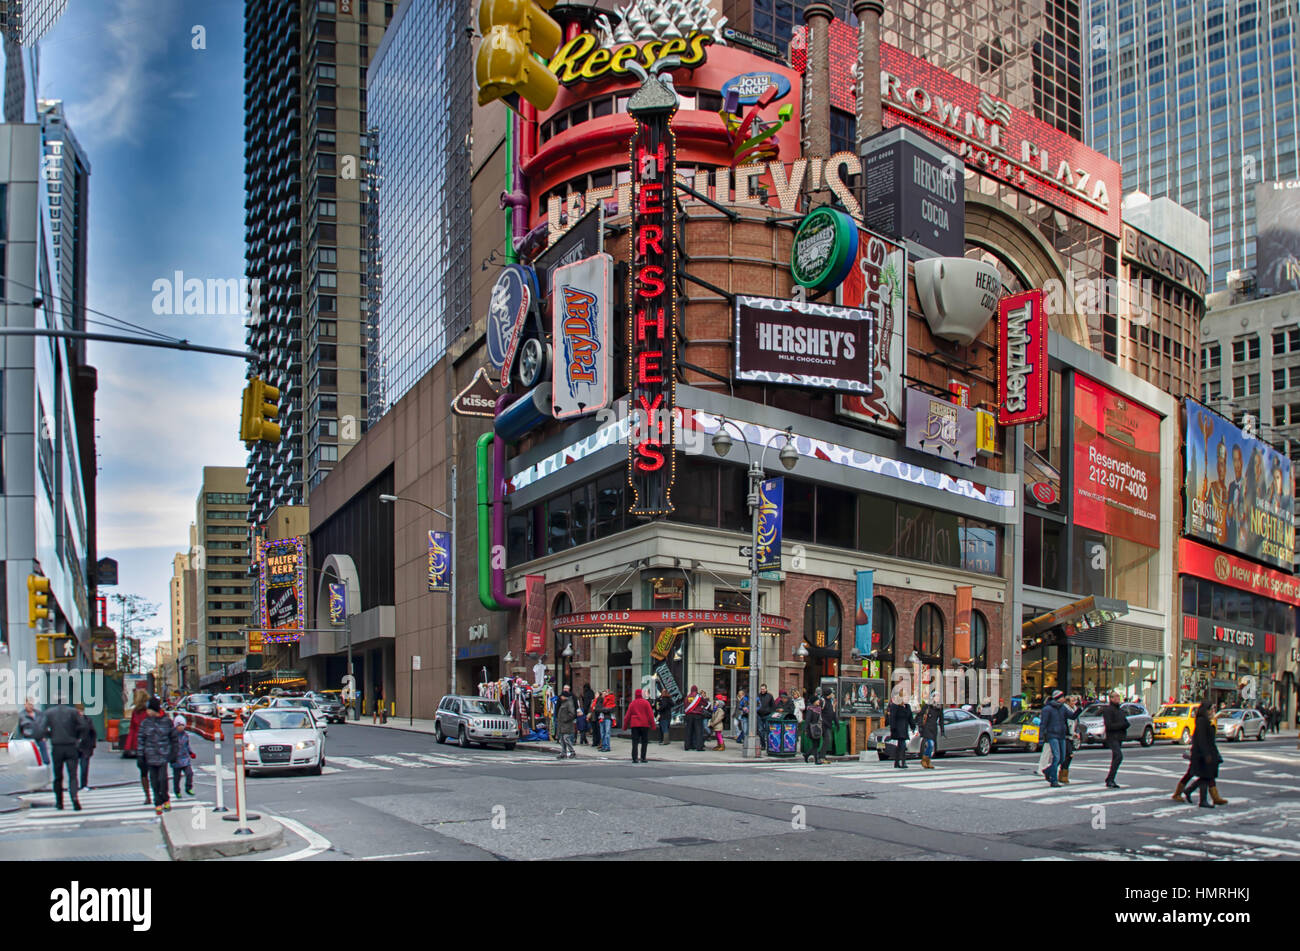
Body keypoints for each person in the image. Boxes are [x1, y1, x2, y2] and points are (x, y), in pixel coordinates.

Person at [35, 698, 86, 811]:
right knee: (73, 774)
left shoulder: (49, 713)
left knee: (58, 776)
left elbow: (41, 729)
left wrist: (50, 735)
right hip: (71, 745)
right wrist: (77, 736)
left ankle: (59, 802)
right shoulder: (72, 712)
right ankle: (74, 797)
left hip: (57, 746)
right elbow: (82, 726)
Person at [137, 698, 177, 817]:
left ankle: (165, 797)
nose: (147, 712)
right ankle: (157, 801)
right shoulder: (145, 723)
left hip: (163, 756)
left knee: (162, 779)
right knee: (154, 780)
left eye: (149, 709)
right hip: (150, 756)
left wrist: (174, 753)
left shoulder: (166, 722)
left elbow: (174, 738)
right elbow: (141, 739)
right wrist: (140, 755)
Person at [1183, 701, 1227, 808]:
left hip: (1206, 753)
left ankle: (1190, 791)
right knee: (1206, 776)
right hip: (1203, 754)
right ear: (1205, 710)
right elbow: (1203, 739)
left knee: (1206, 776)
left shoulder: (1204, 720)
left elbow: (1210, 736)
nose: (1212, 711)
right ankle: (1201, 799)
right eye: (1210, 709)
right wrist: (1206, 754)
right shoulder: (1202, 721)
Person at [1039, 690, 1075, 787]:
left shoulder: (1062, 708)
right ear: (1059, 698)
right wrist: (1041, 737)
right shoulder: (1048, 709)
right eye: (1062, 697)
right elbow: (1043, 724)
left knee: (1062, 758)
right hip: (1052, 735)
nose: (1064, 698)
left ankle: (1047, 771)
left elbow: (1072, 716)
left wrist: (1078, 710)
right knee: (1057, 757)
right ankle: (1053, 779)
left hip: (1061, 735)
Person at [124, 689, 151, 805]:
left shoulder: (139, 712)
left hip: (143, 745)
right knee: (145, 771)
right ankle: (149, 795)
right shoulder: (139, 712)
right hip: (146, 745)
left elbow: (132, 729)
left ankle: (148, 795)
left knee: (145, 772)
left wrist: (129, 746)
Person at [1100, 690, 1128, 789]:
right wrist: (1122, 725)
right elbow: (1109, 725)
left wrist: (1125, 724)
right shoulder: (1108, 710)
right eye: (1115, 697)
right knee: (1118, 756)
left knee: (1116, 758)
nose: (1118, 698)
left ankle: (1110, 779)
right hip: (1112, 737)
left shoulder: (1120, 710)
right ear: (1111, 698)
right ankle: (1110, 779)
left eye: (1118, 697)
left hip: (1119, 736)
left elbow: (1125, 721)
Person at [18, 697, 48, 781]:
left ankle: (44, 778)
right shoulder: (21, 716)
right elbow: (19, 729)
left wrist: (45, 736)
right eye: (29, 704)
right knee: (31, 761)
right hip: (29, 741)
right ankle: (32, 779)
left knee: (45, 759)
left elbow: (44, 725)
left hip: (40, 739)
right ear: (25, 705)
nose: (31, 706)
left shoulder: (39, 714)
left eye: (32, 704)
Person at [625, 688, 656, 763]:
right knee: (644, 741)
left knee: (635, 742)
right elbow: (650, 715)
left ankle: (635, 758)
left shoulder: (632, 703)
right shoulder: (646, 703)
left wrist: (625, 726)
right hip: (644, 724)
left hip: (635, 725)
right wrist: (653, 725)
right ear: (641, 694)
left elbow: (627, 716)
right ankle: (643, 757)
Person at [886, 693, 915, 769]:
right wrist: (893, 728)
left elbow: (910, 718)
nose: (907, 699)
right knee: (902, 745)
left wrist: (913, 726)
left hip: (904, 727)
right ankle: (903, 761)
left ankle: (896, 762)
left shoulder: (907, 706)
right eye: (905, 697)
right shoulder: (895, 706)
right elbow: (892, 717)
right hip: (898, 728)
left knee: (900, 746)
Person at [171, 715, 196, 796]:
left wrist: (191, 753)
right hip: (176, 759)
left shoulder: (185, 736)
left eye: (182, 725)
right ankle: (177, 791)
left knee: (189, 773)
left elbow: (187, 746)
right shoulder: (172, 735)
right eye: (179, 725)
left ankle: (188, 788)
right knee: (177, 777)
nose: (181, 727)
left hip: (185, 758)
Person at [917, 694, 945, 769]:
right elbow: (920, 715)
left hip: (934, 728)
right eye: (936, 697)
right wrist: (920, 725)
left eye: (939, 697)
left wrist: (942, 730)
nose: (938, 698)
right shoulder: (927, 706)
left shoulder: (939, 707)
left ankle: (927, 760)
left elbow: (941, 719)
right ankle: (925, 760)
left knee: (931, 746)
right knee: (930, 744)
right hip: (927, 727)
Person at [75, 703, 96, 791]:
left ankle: (78, 785)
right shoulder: (88, 720)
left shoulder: (74, 720)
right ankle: (83, 785)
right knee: (83, 766)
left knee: (76, 767)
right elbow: (93, 733)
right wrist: (92, 746)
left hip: (80, 746)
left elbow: (93, 733)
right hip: (85, 746)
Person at [555, 685, 577, 760]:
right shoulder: (563, 703)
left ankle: (572, 751)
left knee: (566, 738)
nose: (561, 697)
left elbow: (572, 714)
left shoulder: (569, 703)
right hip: (562, 724)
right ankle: (563, 753)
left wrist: (565, 719)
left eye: (562, 696)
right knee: (562, 739)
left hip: (567, 724)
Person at [683, 685, 708, 751]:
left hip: (689, 715)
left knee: (688, 731)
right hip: (697, 715)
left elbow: (685, 705)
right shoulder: (698, 697)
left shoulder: (687, 697)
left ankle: (687, 746)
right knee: (698, 731)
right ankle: (699, 747)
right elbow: (705, 703)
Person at [804, 697, 826, 764]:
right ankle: (817, 760)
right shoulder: (810, 709)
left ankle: (807, 755)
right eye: (817, 701)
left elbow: (823, 703)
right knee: (815, 744)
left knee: (816, 744)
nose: (818, 701)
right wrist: (805, 729)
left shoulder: (818, 709)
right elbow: (807, 720)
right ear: (814, 702)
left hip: (818, 727)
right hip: (812, 728)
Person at [821, 687, 838, 758]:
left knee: (826, 740)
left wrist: (836, 723)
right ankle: (821, 756)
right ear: (828, 694)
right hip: (823, 724)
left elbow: (832, 713)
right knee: (827, 739)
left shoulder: (830, 701)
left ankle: (821, 755)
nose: (833, 694)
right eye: (831, 693)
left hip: (828, 724)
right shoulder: (823, 701)